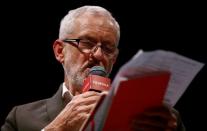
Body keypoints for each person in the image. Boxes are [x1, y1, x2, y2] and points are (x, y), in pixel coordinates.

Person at [1, 5, 185, 131]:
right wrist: (59, 127)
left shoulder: (154, 117)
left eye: (107, 48)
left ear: (115, 58)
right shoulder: (21, 118)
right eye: (87, 43)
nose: (98, 55)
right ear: (60, 51)